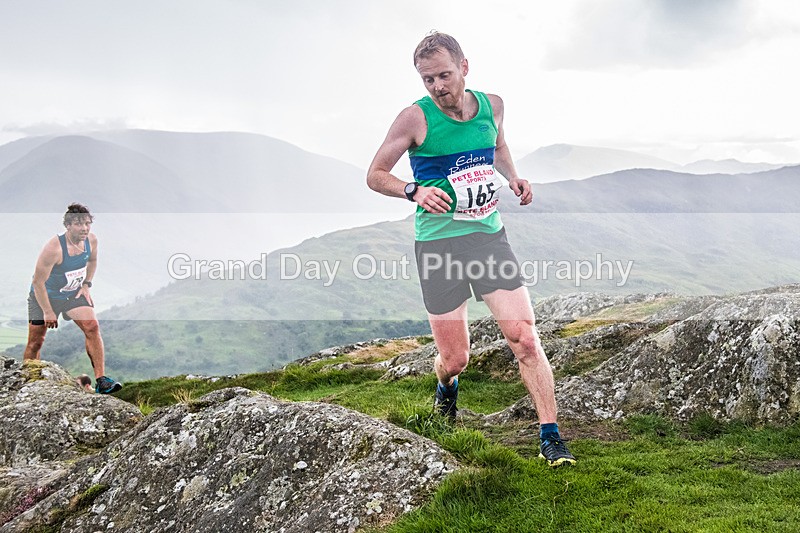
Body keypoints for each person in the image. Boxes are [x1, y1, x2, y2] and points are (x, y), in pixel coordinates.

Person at [367, 32, 575, 467]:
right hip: (439, 244)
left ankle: (551, 436)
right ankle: (446, 386)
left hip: (487, 237)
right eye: (428, 79)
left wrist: (512, 177)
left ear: (465, 66)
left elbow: (496, 145)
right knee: (455, 357)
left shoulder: (493, 105)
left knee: (524, 339)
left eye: (444, 74)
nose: (438, 86)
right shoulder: (414, 119)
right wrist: (414, 190)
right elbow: (375, 174)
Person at [24, 203, 122, 394]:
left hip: (72, 294)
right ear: (68, 226)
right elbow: (37, 282)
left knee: (92, 326)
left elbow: (92, 261)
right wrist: (47, 310)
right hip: (44, 296)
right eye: (79, 224)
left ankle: (102, 380)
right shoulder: (54, 248)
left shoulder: (91, 241)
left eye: (87, 223)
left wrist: (86, 285)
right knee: (36, 341)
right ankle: (27, 381)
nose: (84, 228)